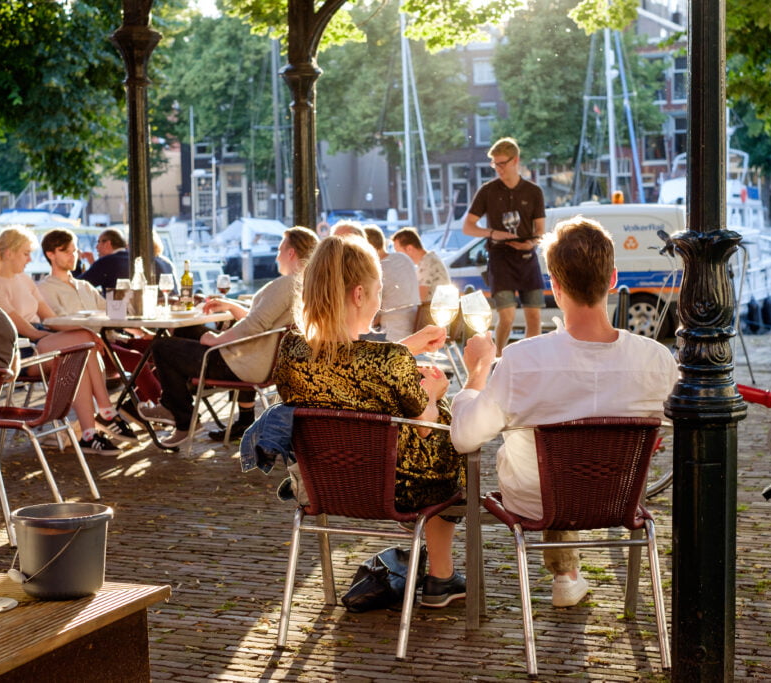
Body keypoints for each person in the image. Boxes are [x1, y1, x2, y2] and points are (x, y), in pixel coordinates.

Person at [450, 216, 678, 608]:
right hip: (617, 499)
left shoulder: (522, 360)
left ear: (553, 286)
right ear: (612, 279)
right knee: (565, 456)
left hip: (535, 504)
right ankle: (570, 576)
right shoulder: (656, 359)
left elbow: (464, 438)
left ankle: (564, 575)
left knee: (532, 450)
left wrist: (476, 374)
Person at [273, 234, 467, 609]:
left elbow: (346, 364)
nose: (381, 301)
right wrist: (434, 395)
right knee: (446, 434)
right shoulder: (389, 365)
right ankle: (441, 576)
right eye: (379, 291)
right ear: (359, 295)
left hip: (325, 485)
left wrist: (404, 347)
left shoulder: (291, 351)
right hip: (395, 489)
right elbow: (424, 426)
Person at [140, 227, 319, 447]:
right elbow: (264, 321)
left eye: (280, 249)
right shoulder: (305, 286)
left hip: (242, 364)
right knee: (186, 332)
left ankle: (184, 421)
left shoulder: (287, 284)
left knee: (162, 346)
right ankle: (171, 405)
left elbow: (256, 324)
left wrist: (217, 340)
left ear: (291, 253)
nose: (276, 255)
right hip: (257, 360)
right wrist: (231, 306)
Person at [0, 227, 137, 455]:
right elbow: (28, 331)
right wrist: (77, 334)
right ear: (10, 253)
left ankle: (89, 434)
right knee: (80, 343)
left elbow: (50, 318)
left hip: (42, 341)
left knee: (80, 350)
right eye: (26, 253)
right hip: (22, 352)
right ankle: (106, 410)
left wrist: (83, 332)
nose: (30, 259)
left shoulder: (25, 281)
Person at [37, 228, 162, 416]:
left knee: (162, 348)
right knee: (137, 360)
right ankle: (171, 410)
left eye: (75, 250)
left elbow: (113, 314)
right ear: (50, 254)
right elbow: (57, 323)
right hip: (87, 350)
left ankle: (135, 408)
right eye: (67, 251)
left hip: (110, 340)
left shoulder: (85, 285)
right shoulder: (45, 289)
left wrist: (140, 331)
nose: (73, 256)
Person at [462, 137, 546, 351]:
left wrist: (532, 244)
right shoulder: (488, 191)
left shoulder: (533, 192)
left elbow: (541, 231)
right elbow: (468, 227)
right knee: (506, 317)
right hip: (500, 258)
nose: (498, 169)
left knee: (534, 317)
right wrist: (493, 233)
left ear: (515, 160)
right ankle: (498, 359)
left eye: (502, 163)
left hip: (527, 258)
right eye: (494, 164)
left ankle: (530, 359)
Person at [363, 225, 420, 342]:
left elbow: (373, 314)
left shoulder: (377, 268)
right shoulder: (403, 258)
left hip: (391, 334)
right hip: (414, 325)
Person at [391, 226, 451, 329]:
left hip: (433, 319)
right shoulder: (428, 260)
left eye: (398, 252)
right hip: (435, 316)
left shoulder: (427, 262)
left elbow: (420, 297)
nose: (398, 257)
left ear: (409, 248)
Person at [80, 227, 174, 292]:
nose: (96, 247)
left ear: (108, 244)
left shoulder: (107, 262)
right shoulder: (163, 262)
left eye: (98, 242)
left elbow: (80, 284)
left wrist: (77, 262)